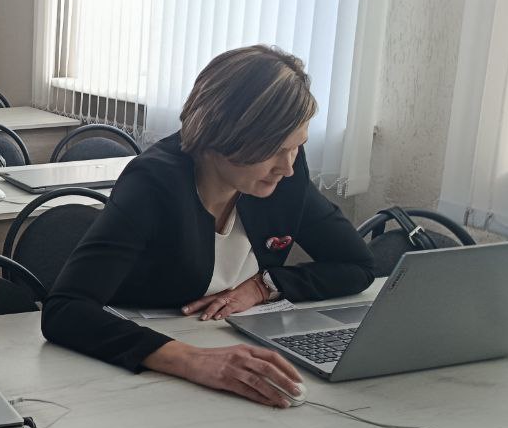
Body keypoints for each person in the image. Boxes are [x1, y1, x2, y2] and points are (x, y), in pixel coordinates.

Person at [41, 45, 376, 408]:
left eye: (298, 146)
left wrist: (264, 286)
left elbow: (357, 266)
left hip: (235, 348)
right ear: (224, 134)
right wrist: (193, 360)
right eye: (275, 150)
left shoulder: (285, 177)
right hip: (134, 375)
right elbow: (65, 310)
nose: (288, 166)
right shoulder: (154, 183)